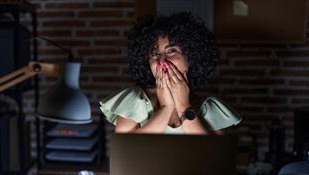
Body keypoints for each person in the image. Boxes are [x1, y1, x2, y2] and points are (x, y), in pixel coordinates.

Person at [100, 12, 242, 134]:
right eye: (155, 54)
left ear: (191, 57)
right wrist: (165, 108)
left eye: (171, 51)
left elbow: (214, 156)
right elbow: (124, 153)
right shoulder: (135, 100)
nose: (162, 61)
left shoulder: (210, 109)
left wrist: (183, 106)